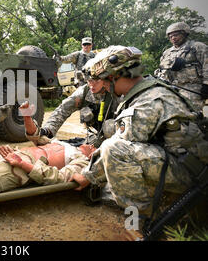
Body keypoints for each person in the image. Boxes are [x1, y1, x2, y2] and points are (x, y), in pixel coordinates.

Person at [70, 46, 207, 219]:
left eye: (103, 80)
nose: (103, 85)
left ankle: (138, 222)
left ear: (113, 77)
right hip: (188, 162)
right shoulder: (150, 89)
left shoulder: (148, 101)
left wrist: (87, 176)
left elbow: (119, 144)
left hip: (191, 174)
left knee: (113, 150)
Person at [154, 21, 208, 111]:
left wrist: (206, 85)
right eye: (170, 36)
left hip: (192, 88)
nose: (173, 38)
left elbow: (206, 65)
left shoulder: (197, 47)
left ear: (184, 34)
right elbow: (161, 69)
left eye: (176, 35)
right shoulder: (167, 53)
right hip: (171, 89)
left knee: (192, 116)